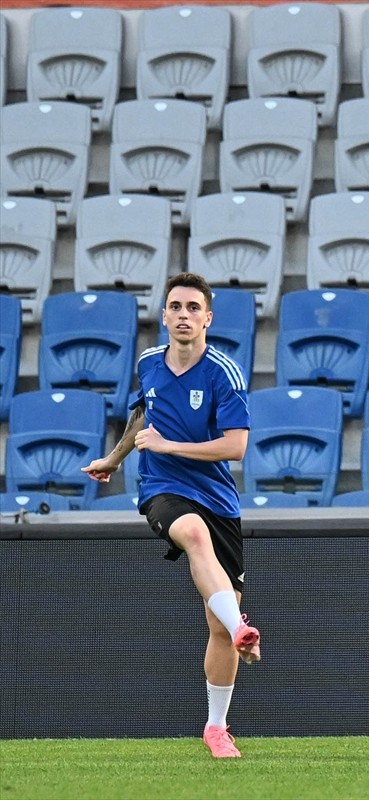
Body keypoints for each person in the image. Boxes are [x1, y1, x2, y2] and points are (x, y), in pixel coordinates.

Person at [82, 272, 260, 759]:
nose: (183, 315)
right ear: (163, 315)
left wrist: (168, 444)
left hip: (218, 497)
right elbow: (141, 415)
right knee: (193, 535)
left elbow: (236, 447)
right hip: (162, 488)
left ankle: (216, 727)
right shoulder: (147, 364)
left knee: (219, 629)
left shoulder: (224, 372)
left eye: (192, 308)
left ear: (208, 318)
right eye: (175, 307)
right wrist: (115, 459)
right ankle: (245, 627)